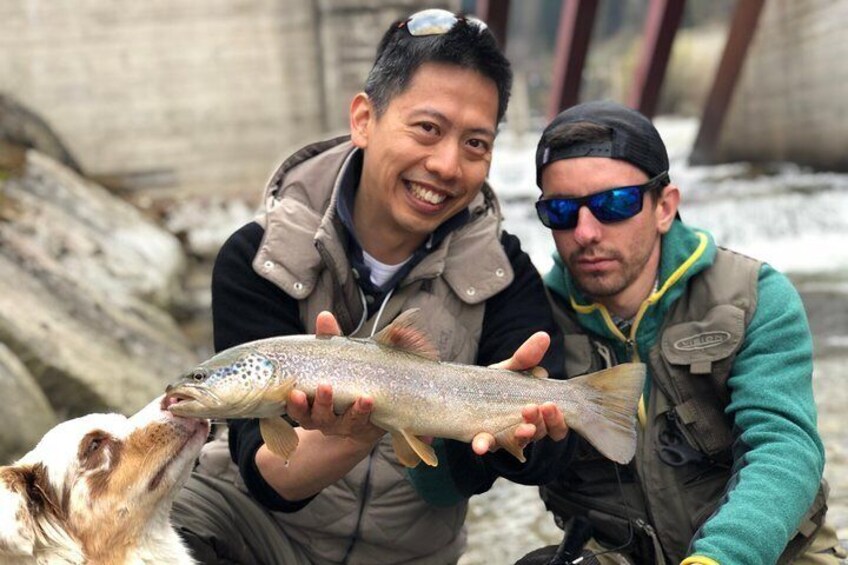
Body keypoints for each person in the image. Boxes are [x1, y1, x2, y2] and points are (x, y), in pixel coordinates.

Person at [170, 9, 570, 565]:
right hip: (247, 531)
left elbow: (545, 463)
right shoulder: (258, 257)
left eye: (476, 143)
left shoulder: (505, 274)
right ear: (364, 119)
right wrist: (352, 434)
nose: (448, 165)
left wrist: (509, 431)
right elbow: (268, 476)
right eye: (427, 129)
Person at [523, 100, 846, 564]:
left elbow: (784, 447)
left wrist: (721, 557)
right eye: (560, 212)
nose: (586, 231)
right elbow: (451, 480)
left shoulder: (754, 295)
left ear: (665, 207)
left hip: (769, 554)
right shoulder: (530, 317)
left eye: (614, 204)